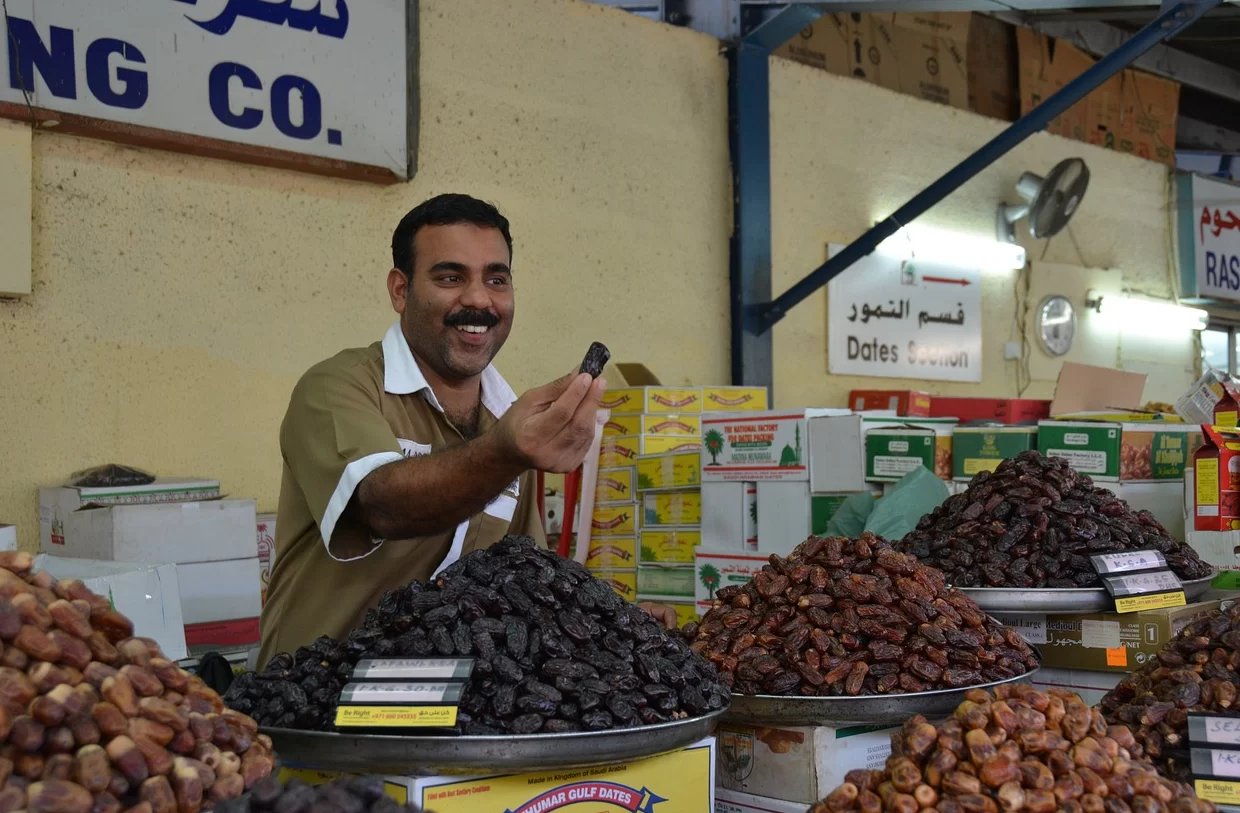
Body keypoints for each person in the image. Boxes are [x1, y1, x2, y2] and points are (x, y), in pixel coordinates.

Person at [258, 194, 675, 667]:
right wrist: (506, 452)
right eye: (450, 277)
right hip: (312, 704)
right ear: (400, 290)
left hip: (438, 714)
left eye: (496, 279)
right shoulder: (338, 387)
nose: (478, 300)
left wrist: (615, 623)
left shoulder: (509, 423)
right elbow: (380, 505)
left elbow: (527, 583)